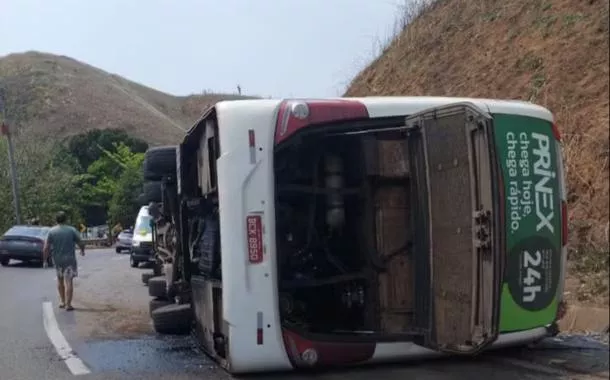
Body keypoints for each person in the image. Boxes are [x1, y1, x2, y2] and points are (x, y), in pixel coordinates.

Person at [43, 211, 85, 311]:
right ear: (66, 219)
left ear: (56, 220)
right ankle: (68, 304)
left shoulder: (52, 231)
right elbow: (80, 242)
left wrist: (44, 260)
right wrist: (82, 250)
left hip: (57, 260)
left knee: (60, 279)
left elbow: (46, 247)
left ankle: (62, 301)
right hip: (69, 259)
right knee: (69, 281)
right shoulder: (71, 230)